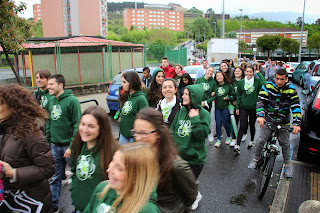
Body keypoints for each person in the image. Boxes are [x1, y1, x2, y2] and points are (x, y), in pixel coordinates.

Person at [0, 83, 55, 212]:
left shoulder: (30, 132)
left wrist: (12, 173)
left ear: (14, 105)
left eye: (1, 103)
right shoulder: (6, 130)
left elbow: (48, 168)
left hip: (31, 201)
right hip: (13, 199)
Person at [133, 108, 198, 212]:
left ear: (158, 133)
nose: (138, 138)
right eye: (136, 132)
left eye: (144, 133)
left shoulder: (176, 165)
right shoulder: (138, 156)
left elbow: (191, 193)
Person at [248, 68, 301, 178]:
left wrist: (296, 123)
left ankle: (287, 165)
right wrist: (261, 116)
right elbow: (260, 101)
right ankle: (255, 159)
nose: (279, 81)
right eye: (277, 79)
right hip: (268, 119)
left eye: (282, 79)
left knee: (285, 144)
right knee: (261, 140)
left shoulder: (291, 89)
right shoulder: (267, 87)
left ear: (286, 79)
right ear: (274, 77)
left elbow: (295, 107)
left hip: (283, 121)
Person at [84, 142, 160, 213]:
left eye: (119, 168)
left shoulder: (146, 210)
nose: (109, 170)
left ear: (136, 177)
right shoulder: (101, 189)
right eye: (112, 161)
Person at [70, 106, 118, 212]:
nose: (85, 130)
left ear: (101, 128)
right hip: (79, 207)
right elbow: (74, 172)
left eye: (91, 126)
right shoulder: (78, 146)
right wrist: (74, 191)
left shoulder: (112, 152)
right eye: (82, 124)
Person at [170, 84, 210, 210]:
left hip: (195, 159)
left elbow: (202, 135)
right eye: (184, 93)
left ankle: (194, 197)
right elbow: (173, 129)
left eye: (187, 94)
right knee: (180, 182)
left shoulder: (204, 114)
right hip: (179, 156)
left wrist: (195, 119)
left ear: (195, 96)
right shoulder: (181, 110)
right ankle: (195, 194)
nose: (183, 96)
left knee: (187, 184)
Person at [46, 74, 82, 212]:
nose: (48, 87)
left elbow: (77, 125)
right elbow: (49, 122)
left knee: (78, 176)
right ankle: (54, 205)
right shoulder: (50, 101)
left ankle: (78, 205)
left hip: (69, 147)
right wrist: (49, 141)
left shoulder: (72, 101)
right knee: (55, 177)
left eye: (51, 84)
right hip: (55, 146)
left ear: (60, 85)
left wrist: (72, 146)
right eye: (48, 84)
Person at [234, 65, 267, 154]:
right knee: (242, 125)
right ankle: (237, 145)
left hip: (253, 108)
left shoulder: (256, 81)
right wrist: (237, 107)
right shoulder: (241, 82)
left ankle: (252, 140)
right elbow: (239, 95)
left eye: (250, 72)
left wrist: (258, 73)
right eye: (247, 71)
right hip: (243, 107)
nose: (248, 73)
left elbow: (265, 84)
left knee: (252, 125)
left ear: (253, 73)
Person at [119, 71, 149, 145]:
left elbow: (146, 119)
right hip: (123, 135)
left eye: (124, 82)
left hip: (134, 138)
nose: (121, 84)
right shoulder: (126, 96)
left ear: (131, 83)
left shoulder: (141, 98)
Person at [211, 71, 234, 147]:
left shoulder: (228, 86)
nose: (219, 77)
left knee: (225, 123)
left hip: (225, 108)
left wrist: (229, 97)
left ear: (223, 76)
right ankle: (218, 139)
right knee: (217, 124)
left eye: (220, 76)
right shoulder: (215, 86)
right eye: (217, 76)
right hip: (217, 108)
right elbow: (211, 94)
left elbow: (233, 96)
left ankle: (228, 136)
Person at [229, 67, 245, 147]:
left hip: (243, 105)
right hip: (234, 105)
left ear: (242, 72)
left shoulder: (245, 81)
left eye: (239, 71)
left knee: (243, 123)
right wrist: (232, 101)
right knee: (235, 122)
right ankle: (234, 138)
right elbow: (231, 93)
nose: (237, 72)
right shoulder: (232, 82)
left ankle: (244, 134)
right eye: (236, 71)